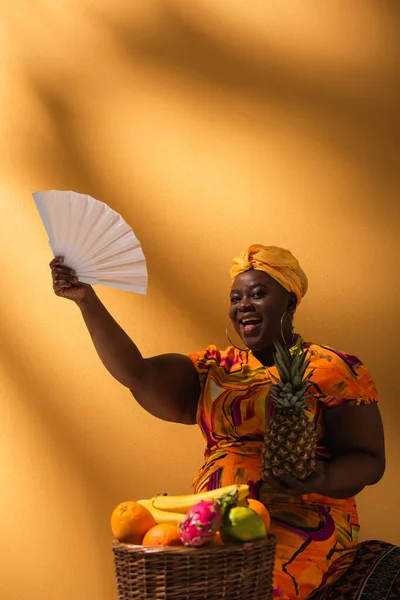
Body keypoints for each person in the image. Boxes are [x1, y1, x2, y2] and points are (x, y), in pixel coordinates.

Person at [49, 244, 385, 599]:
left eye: (258, 294)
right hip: (213, 516)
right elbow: (137, 373)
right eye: (236, 297)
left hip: (304, 515)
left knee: (254, 588)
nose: (244, 305)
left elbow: (368, 459)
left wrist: (323, 478)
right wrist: (86, 300)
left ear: (289, 302)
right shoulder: (216, 368)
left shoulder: (332, 368)